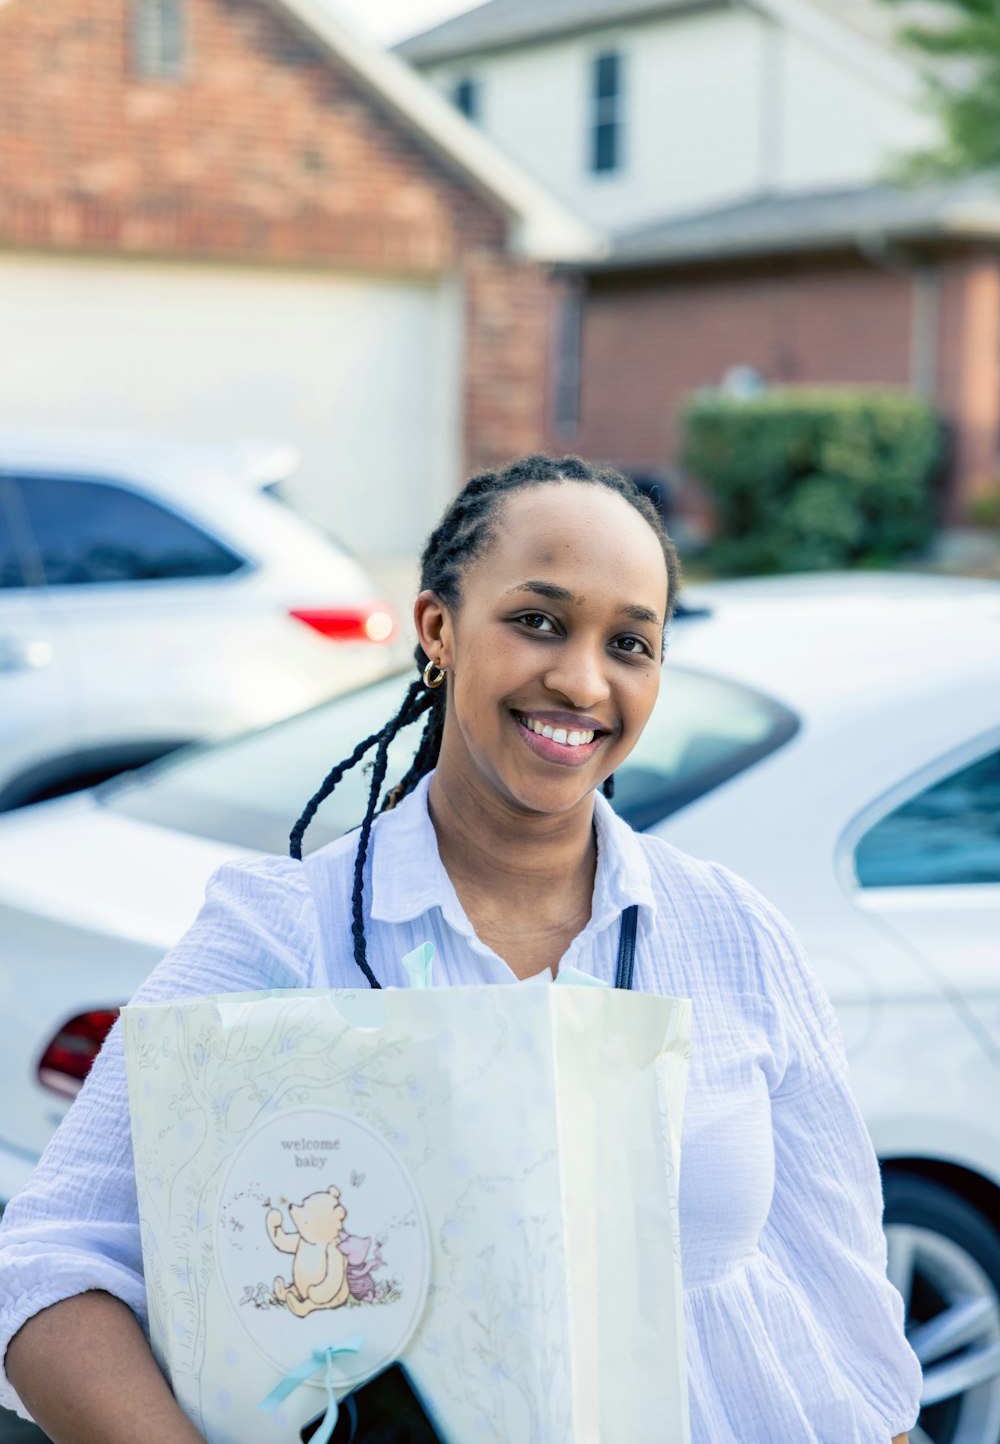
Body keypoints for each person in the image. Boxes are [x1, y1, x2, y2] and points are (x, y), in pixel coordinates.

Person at [0, 454, 919, 1443]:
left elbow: (839, 1301)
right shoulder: (289, 933)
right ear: (437, 628)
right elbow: (48, 1263)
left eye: (629, 644)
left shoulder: (730, 935)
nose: (580, 680)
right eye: (538, 621)